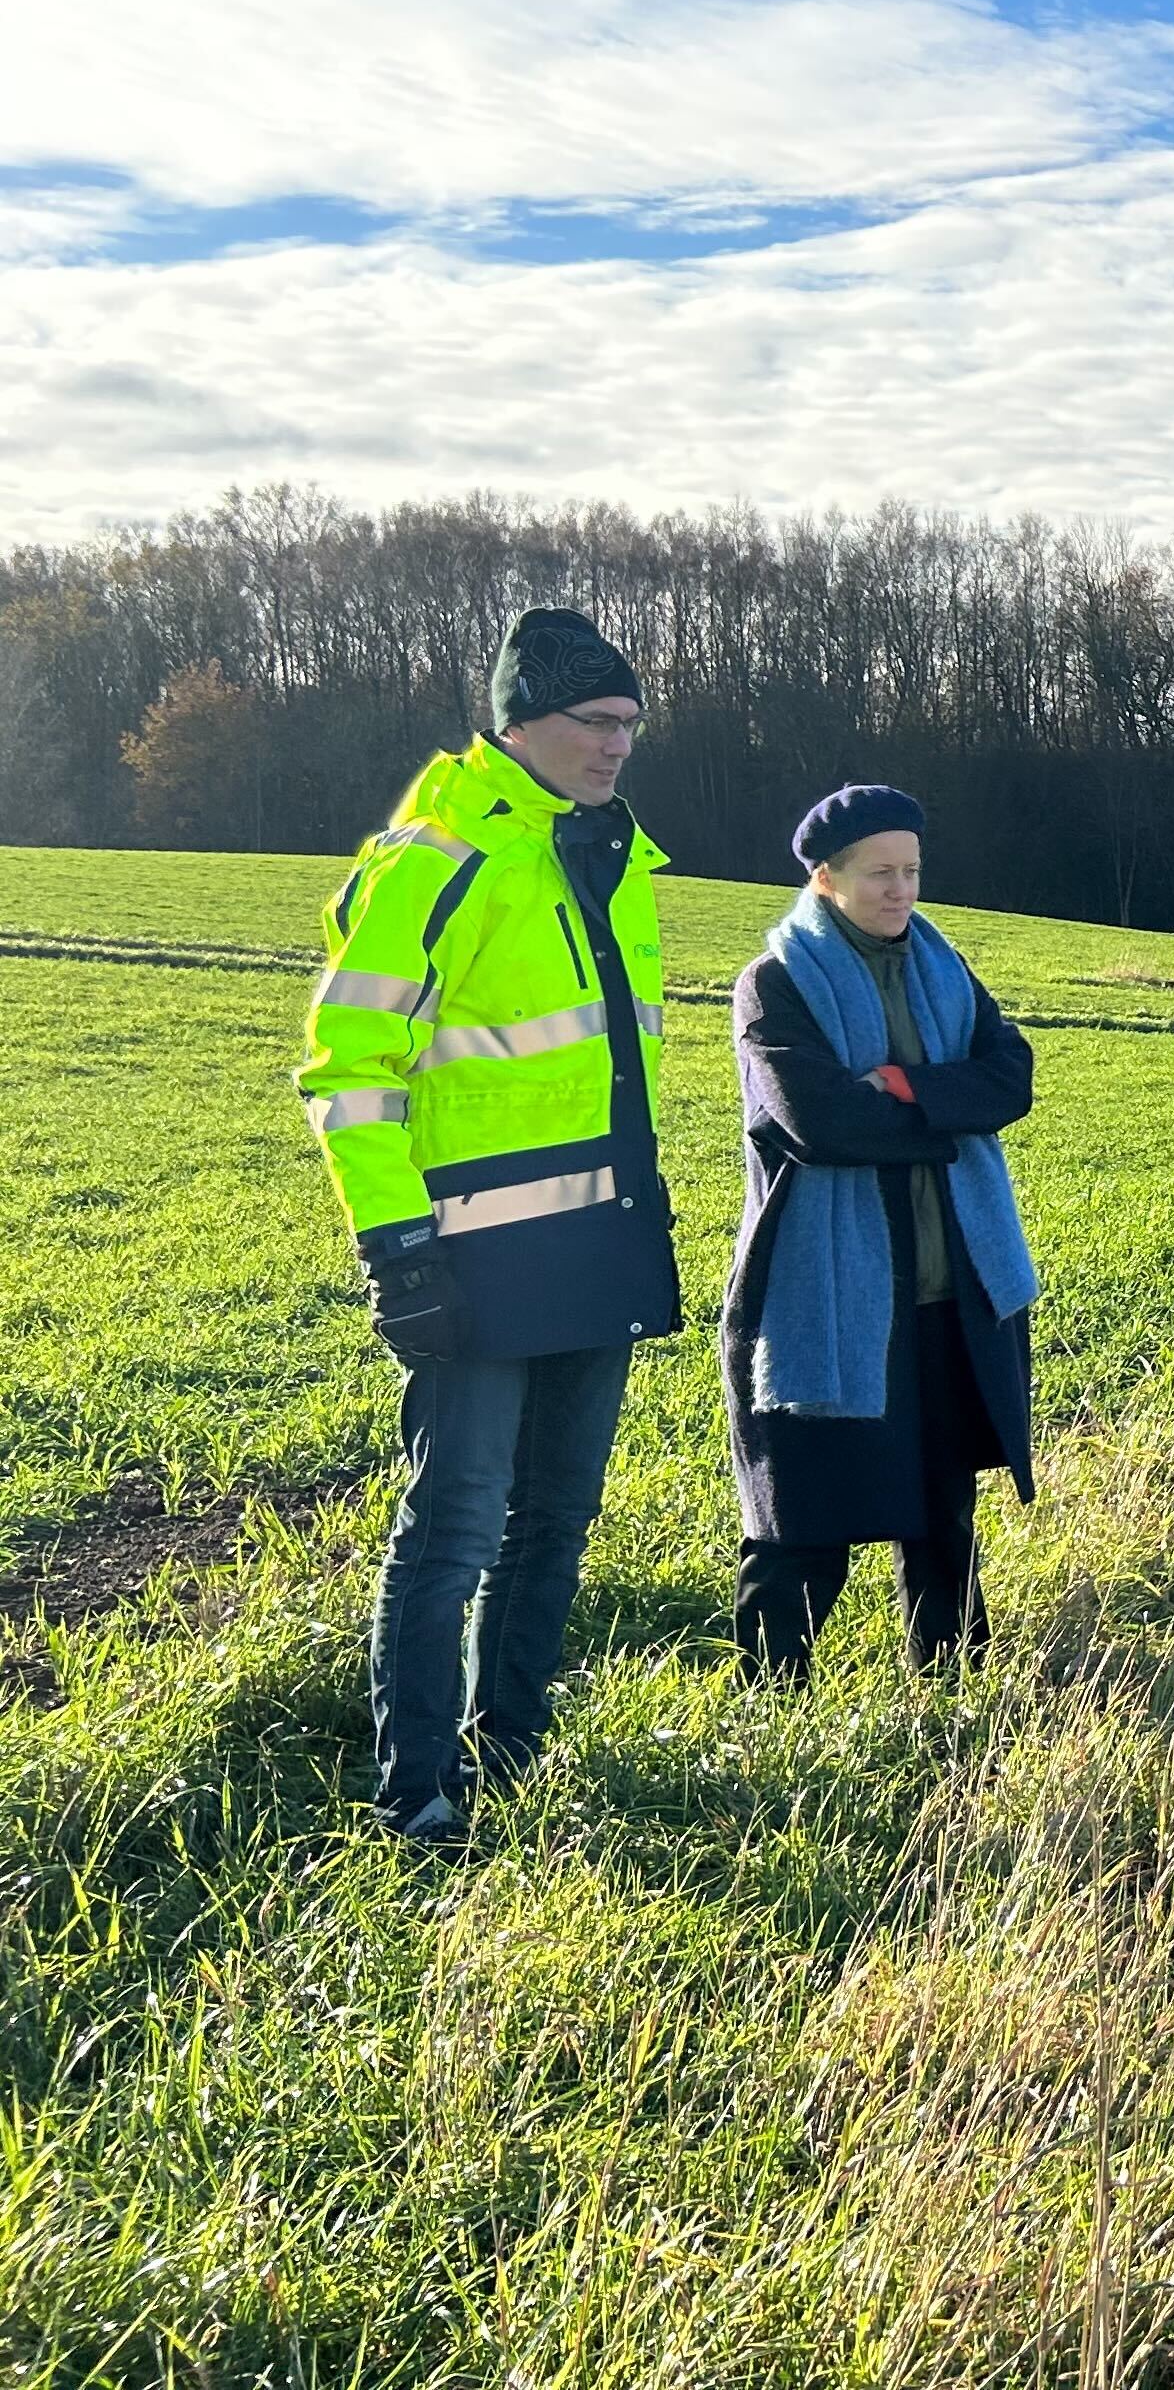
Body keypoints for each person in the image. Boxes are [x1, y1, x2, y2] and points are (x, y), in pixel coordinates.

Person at [299, 607, 681, 1846]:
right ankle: (417, 1795)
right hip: (464, 1258)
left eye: (631, 722)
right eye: (597, 721)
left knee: (557, 1518)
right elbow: (349, 1067)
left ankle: (510, 1755)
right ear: (522, 723)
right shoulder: (436, 858)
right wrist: (395, 1247)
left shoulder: (610, 856)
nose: (620, 743)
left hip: (593, 1237)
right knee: (455, 1523)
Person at [718, 785, 1040, 1679]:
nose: (900, 891)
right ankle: (770, 1701)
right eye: (878, 874)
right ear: (826, 878)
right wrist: (949, 1105)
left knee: (943, 1505)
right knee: (802, 1511)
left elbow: (1010, 1079)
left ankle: (953, 1681)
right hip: (823, 1297)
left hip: (946, 1284)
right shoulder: (775, 984)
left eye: (912, 871)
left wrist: (900, 1088)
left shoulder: (943, 967)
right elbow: (818, 1121)